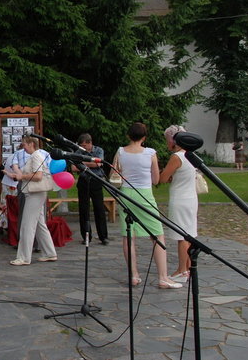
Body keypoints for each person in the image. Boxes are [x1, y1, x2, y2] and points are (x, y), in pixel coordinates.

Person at [113, 122, 181, 289]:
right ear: (144, 137)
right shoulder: (150, 153)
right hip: (145, 194)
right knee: (157, 234)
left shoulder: (121, 152)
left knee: (128, 235)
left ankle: (134, 275)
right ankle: (163, 277)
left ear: (129, 136)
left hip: (126, 194)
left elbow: (114, 174)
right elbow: (156, 179)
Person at [7, 137, 57, 266]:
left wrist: (21, 176)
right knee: (40, 224)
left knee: (27, 225)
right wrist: (15, 175)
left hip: (35, 193)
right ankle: (49, 252)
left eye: (24, 145)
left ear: (31, 144)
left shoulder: (36, 156)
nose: (23, 147)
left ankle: (24, 257)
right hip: (36, 193)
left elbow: (38, 176)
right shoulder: (37, 156)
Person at [159, 125, 198, 283]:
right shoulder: (191, 155)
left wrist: (164, 174)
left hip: (180, 199)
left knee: (182, 236)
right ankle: (187, 268)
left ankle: (182, 270)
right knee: (188, 234)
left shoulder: (177, 157)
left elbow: (162, 178)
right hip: (191, 198)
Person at [72, 133, 108, 245]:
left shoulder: (98, 150)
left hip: (96, 180)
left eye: (84, 145)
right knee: (84, 209)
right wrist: (88, 163)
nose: (83, 148)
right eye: (81, 145)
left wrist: (82, 163)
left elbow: (98, 164)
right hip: (84, 181)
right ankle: (86, 235)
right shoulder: (78, 152)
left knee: (99, 208)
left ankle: (103, 236)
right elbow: (73, 167)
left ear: (90, 143)